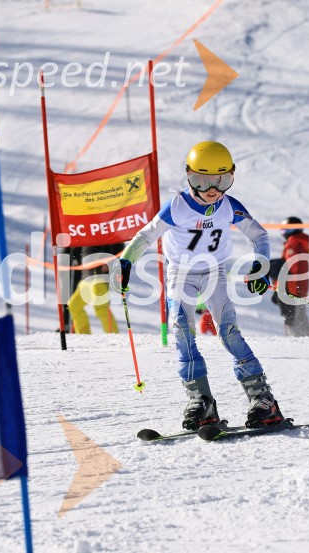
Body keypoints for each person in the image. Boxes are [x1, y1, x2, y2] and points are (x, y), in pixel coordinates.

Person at [111, 141, 284, 430]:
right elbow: (145, 235)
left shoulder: (228, 206)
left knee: (229, 334)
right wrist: (126, 261)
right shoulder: (178, 206)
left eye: (221, 180)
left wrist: (261, 266)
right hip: (181, 273)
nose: (211, 190)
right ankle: (200, 401)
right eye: (200, 181)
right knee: (182, 331)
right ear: (188, 175)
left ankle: (262, 399)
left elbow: (259, 236)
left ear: (231, 177)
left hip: (215, 271)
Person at [270, 216, 309, 337]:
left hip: (292, 288)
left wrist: (274, 268)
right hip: (297, 287)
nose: (283, 233)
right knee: (299, 319)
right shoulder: (299, 242)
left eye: (285, 230)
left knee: (293, 321)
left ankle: (308, 346)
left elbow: (291, 267)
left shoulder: (293, 243)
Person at [68, 243, 124, 334]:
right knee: (74, 305)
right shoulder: (85, 230)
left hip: (99, 277)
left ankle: (114, 336)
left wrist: (110, 263)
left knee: (101, 309)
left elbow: (118, 242)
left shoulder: (105, 229)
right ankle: (83, 335)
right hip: (86, 277)